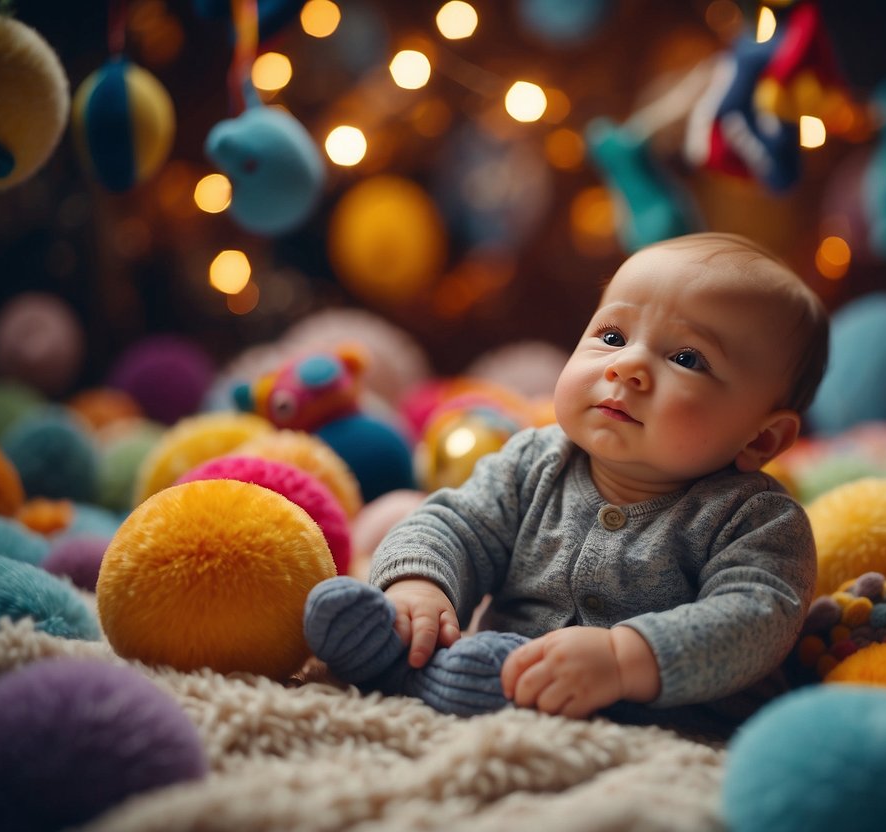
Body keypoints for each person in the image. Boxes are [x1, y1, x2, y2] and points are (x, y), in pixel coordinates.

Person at [304, 231, 829, 730]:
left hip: (662, 723)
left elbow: (754, 619)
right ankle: (393, 642)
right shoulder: (534, 461)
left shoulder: (756, 520)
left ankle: (438, 674)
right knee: (419, 619)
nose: (627, 366)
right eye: (612, 335)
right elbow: (455, 524)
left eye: (686, 358)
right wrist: (418, 583)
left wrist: (626, 659)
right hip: (500, 670)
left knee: (484, 676)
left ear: (760, 441)